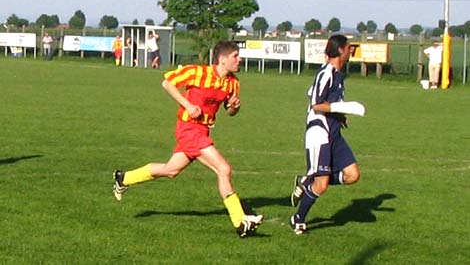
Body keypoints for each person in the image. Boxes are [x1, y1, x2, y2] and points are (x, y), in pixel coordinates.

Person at [112, 40, 263, 237]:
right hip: (189, 129)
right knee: (223, 169)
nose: (240, 59)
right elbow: (167, 82)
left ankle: (124, 178)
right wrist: (188, 105)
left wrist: (235, 106)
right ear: (222, 59)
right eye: (235, 56)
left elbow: (230, 111)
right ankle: (240, 221)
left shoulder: (233, 83)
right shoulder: (198, 72)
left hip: (203, 131)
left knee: (171, 170)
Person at [289, 34, 366, 235]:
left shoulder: (340, 75)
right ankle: (298, 218)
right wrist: (345, 107)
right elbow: (316, 103)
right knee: (321, 185)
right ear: (340, 50)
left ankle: (307, 181)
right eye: (349, 48)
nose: (351, 51)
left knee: (352, 175)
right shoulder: (327, 73)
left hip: (334, 133)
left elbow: (326, 101)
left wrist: (341, 116)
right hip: (319, 132)